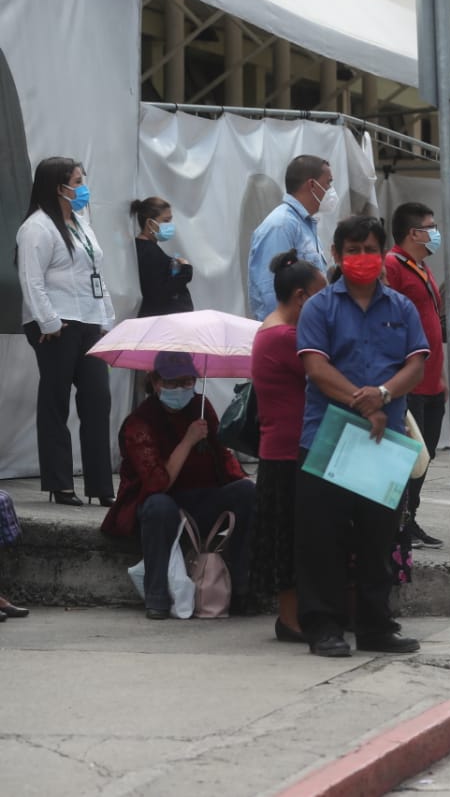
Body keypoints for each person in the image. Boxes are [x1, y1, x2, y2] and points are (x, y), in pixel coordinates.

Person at [295, 215, 428, 657]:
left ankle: (375, 626)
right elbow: (316, 367)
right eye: (353, 251)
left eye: (370, 249)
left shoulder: (401, 308)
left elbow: (416, 364)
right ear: (337, 255)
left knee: (378, 539)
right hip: (329, 438)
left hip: (381, 440)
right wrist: (364, 402)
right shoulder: (319, 307)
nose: (362, 259)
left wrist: (384, 395)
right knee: (324, 539)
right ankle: (323, 627)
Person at [101, 351, 256, 619]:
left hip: (202, 500)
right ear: (155, 382)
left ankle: (243, 590)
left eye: (187, 382)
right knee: (160, 507)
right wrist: (188, 441)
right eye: (172, 383)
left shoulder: (201, 407)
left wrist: (240, 481)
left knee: (247, 492)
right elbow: (157, 482)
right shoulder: (140, 421)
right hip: (159, 504)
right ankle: (157, 597)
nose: (180, 390)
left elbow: (223, 459)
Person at [17, 157, 115, 507]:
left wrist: (106, 318)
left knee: (97, 398)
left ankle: (101, 486)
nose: (82, 188)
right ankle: (60, 484)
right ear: (59, 187)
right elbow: (31, 280)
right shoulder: (37, 228)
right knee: (55, 401)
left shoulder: (82, 223)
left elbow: (96, 273)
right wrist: (49, 322)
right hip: (56, 326)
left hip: (88, 321)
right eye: (77, 181)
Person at [249, 250, 326, 640]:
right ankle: (291, 619)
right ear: (300, 297)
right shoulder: (284, 336)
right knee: (292, 539)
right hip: (286, 452)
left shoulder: (275, 329)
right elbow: (327, 371)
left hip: (288, 448)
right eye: (319, 297)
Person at [382, 202, 446, 550]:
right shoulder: (393, 266)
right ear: (413, 233)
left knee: (425, 456)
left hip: (432, 380)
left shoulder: (421, 266)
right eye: (430, 226)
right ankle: (399, 522)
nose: (435, 232)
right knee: (407, 456)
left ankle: (411, 518)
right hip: (411, 381)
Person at [247, 155, 335, 321]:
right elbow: (271, 292)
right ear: (312, 185)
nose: (331, 190)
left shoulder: (305, 225)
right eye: (328, 183)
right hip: (288, 334)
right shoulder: (281, 225)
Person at [131, 197, 193, 317]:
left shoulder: (147, 249)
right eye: (166, 221)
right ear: (150, 223)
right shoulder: (148, 252)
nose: (169, 226)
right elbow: (161, 291)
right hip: (163, 320)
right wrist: (185, 269)